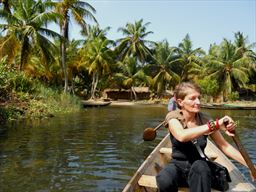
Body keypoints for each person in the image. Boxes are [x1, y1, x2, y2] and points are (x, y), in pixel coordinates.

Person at [156, 82, 254, 192]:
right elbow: (181, 136)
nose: (198, 102)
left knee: (200, 167)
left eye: (199, 98)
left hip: (200, 169)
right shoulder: (173, 117)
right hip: (178, 166)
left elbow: (224, 146)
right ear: (180, 102)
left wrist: (250, 166)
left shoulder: (205, 119)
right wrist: (215, 125)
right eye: (192, 98)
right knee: (163, 179)